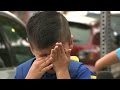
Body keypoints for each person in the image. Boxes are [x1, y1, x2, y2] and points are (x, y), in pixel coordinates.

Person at [15, 11, 94, 79]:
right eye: (44, 55)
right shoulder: (23, 72)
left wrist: (62, 72)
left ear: (70, 43)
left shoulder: (80, 72)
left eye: (58, 53)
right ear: (32, 48)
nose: (52, 60)